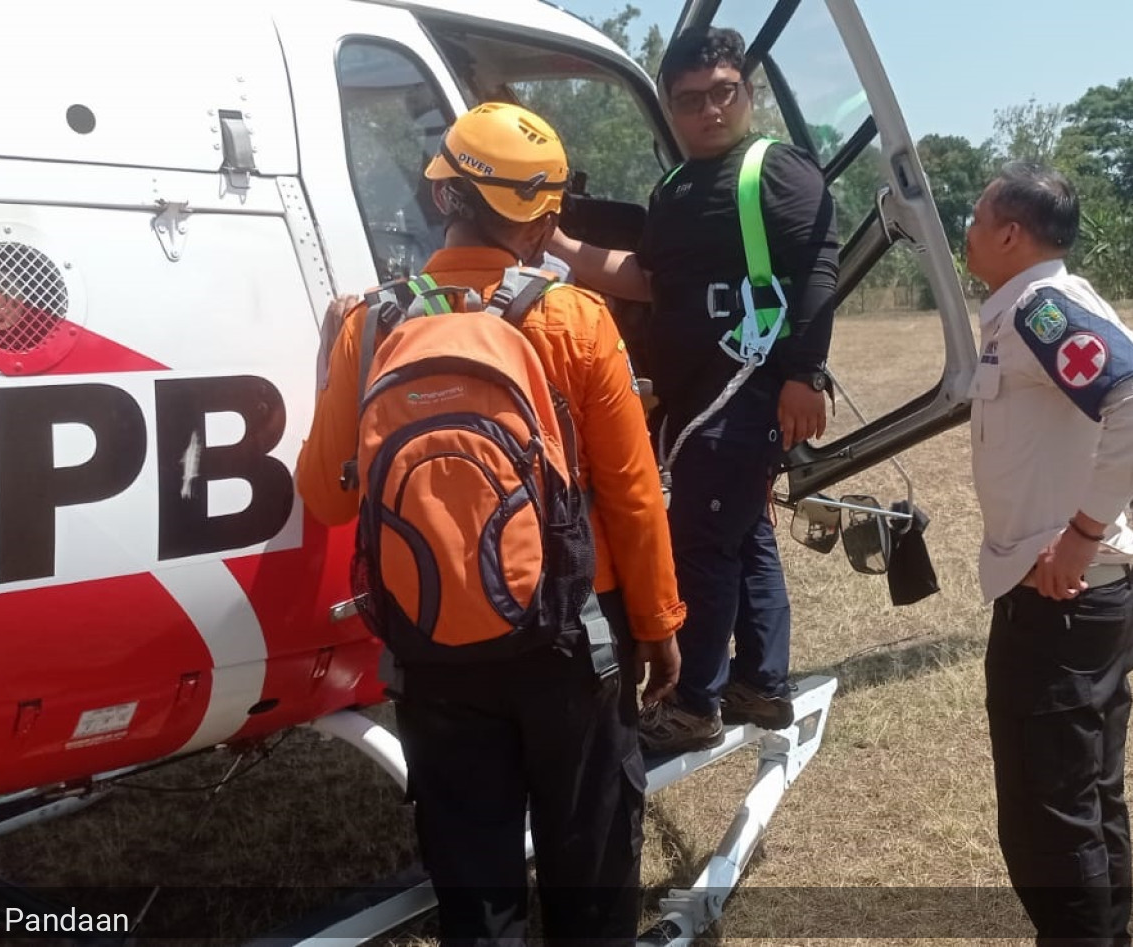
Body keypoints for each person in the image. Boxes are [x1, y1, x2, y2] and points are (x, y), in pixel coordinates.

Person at [295, 102, 686, 946]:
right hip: (571, 641)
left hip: (431, 642)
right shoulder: (575, 320)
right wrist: (657, 625)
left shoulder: (370, 326)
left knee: (477, 887)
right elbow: (631, 493)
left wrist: (333, 356)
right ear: (544, 221)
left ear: (442, 197)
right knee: (591, 869)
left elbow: (325, 497)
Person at [546, 26, 840, 753]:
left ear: (748, 92)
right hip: (697, 397)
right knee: (744, 540)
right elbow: (645, 278)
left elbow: (818, 270)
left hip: (743, 393)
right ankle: (762, 685)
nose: (709, 111)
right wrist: (553, 243)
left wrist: (805, 375)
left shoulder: (776, 169)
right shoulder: (675, 188)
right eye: (690, 100)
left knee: (703, 546)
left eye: (724, 93)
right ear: (671, 108)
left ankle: (696, 701)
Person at [959, 161, 1133, 947]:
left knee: (1046, 821)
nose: (966, 229)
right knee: (1085, 801)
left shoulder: (1039, 306)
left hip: (1058, 597)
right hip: (1081, 599)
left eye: (976, 216)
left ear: (1011, 233)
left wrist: (1084, 528)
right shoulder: (1052, 300)